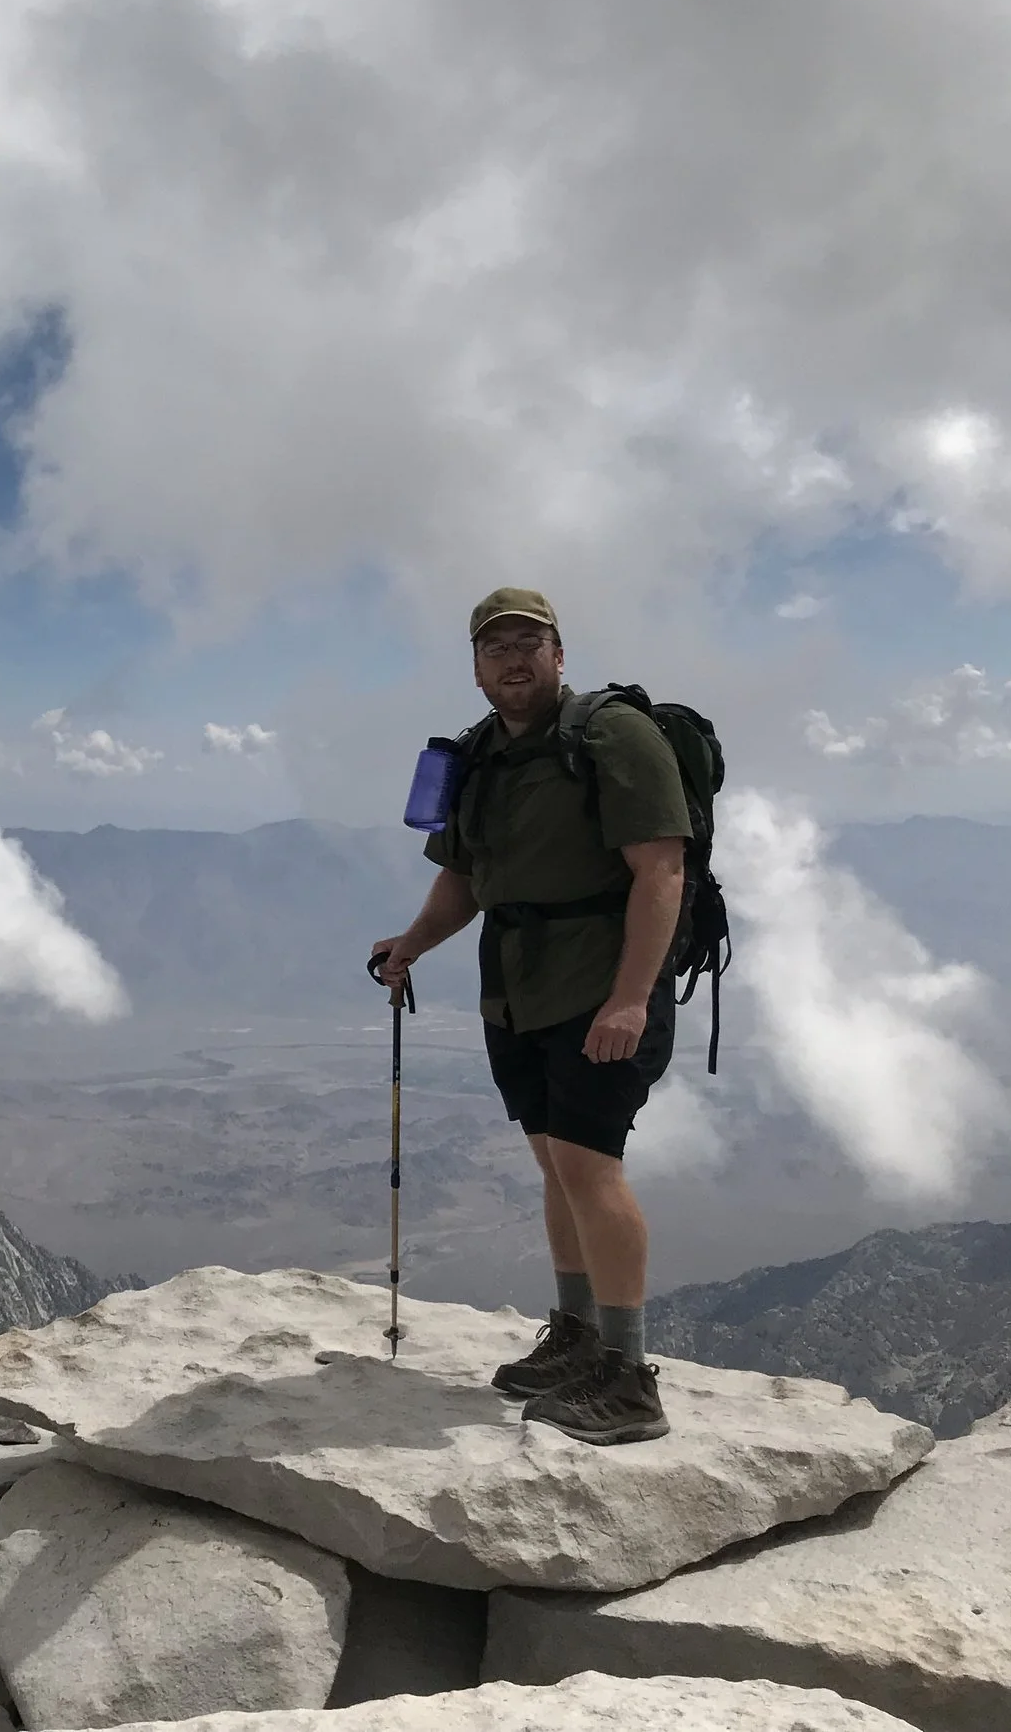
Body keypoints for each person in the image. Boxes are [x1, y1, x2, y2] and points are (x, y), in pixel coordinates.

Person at [370, 588, 689, 1445]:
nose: (514, 658)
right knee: (556, 1163)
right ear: (476, 669)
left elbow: (662, 872)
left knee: (591, 1165)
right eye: (496, 646)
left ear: (559, 653)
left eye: (530, 642)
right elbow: (467, 879)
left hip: (599, 984)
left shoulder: (613, 736)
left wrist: (629, 996)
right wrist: (413, 943)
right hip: (517, 985)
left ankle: (628, 1380)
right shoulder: (477, 754)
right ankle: (578, 1338)